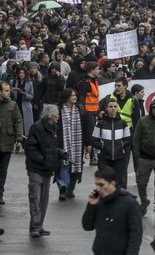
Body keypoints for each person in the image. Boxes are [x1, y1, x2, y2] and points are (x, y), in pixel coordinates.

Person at [81, 166, 143, 255]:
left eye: (101, 185)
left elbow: (135, 235)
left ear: (112, 183)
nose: (98, 189)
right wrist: (91, 205)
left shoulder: (130, 204)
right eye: (96, 185)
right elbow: (87, 226)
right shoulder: (98, 202)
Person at [24, 104, 63, 237]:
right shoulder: (37, 127)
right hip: (36, 168)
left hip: (47, 168)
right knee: (35, 197)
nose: (58, 118)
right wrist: (43, 160)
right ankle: (35, 227)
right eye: (57, 115)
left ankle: (39, 226)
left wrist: (59, 153)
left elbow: (50, 148)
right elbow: (30, 148)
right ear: (51, 116)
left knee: (43, 200)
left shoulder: (53, 128)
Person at [56, 88, 89, 200]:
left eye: (75, 95)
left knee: (75, 166)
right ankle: (63, 188)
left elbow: (85, 128)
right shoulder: (58, 109)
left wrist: (88, 144)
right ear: (66, 97)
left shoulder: (80, 109)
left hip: (77, 144)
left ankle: (70, 189)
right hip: (62, 143)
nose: (75, 97)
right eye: (72, 95)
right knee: (63, 166)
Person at [92, 98, 132, 189]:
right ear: (106, 108)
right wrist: (103, 146)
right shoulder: (100, 124)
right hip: (104, 158)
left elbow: (128, 139)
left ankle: (118, 200)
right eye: (110, 107)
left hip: (119, 158)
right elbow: (94, 140)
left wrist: (121, 145)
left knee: (118, 183)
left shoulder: (123, 123)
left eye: (115, 106)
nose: (113, 109)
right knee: (105, 182)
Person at [0, 80, 24, 205]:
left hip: (7, 141)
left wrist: (19, 138)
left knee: (3, 170)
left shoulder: (12, 105)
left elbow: (18, 121)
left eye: (9, 90)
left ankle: (0, 194)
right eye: (6, 90)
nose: (9, 93)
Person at [77, 61, 101, 165]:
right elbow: (81, 97)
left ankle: (90, 156)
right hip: (87, 112)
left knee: (90, 134)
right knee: (89, 135)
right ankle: (91, 157)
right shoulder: (85, 82)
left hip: (93, 111)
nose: (99, 70)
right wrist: (83, 110)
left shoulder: (94, 81)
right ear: (92, 71)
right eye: (97, 69)